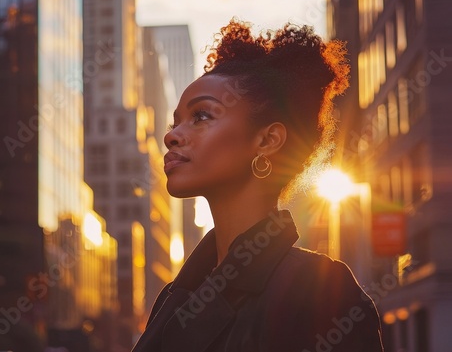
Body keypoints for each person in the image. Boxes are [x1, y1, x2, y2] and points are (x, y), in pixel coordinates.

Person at [131, 19, 384, 352]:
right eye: (175, 121)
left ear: (267, 140)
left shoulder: (319, 288)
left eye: (202, 116)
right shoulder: (174, 296)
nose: (171, 135)